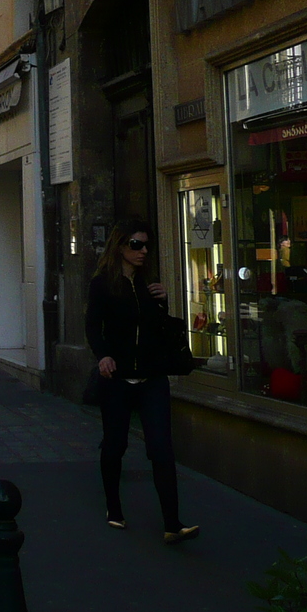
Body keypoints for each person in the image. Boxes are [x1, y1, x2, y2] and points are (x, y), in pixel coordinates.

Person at [86, 219, 199, 544]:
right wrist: (103, 356)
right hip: (118, 379)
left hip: (152, 379)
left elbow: (159, 332)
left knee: (161, 449)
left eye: (146, 245)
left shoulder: (149, 284)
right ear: (120, 246)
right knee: (115, 445)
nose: (143, 251)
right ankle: (113, 507)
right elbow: (93, 326)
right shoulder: (103, 284)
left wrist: (162, 302)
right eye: (136, 245)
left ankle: (172, 523)